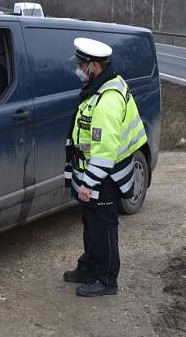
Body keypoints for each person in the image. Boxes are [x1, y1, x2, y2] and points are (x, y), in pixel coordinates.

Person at [63, 37, 147, 297]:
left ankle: (107, 279)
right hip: (95, 174)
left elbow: (105, 151)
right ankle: (89, 266)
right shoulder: (99, 86)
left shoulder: (108, 100)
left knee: (104, 227)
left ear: (94, 66)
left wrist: (89, 183)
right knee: (91, 223)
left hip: (105, 178)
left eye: (81, 63)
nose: (78, 67)